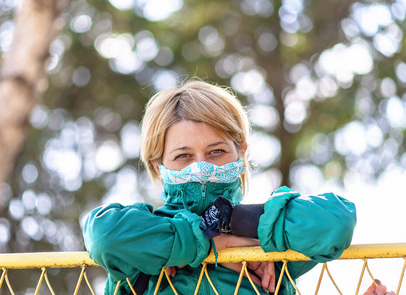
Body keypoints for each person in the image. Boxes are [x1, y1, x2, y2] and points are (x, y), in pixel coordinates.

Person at [83, 80, 357, 294]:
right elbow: (104, 237)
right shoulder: (145, 242)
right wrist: (211, 242)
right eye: (183, 156)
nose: (201, 166)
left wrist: (232, 220)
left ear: (241, 153)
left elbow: (334, 223)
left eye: (215, 151)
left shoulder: (267, 239)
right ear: (158, 166)